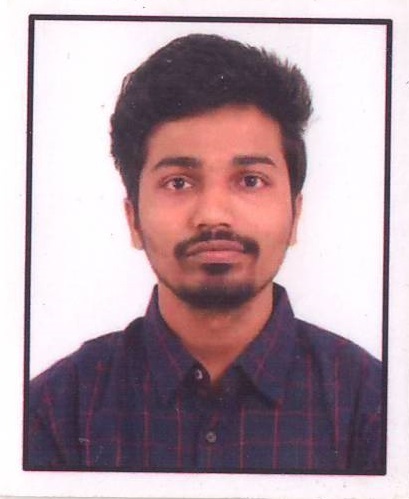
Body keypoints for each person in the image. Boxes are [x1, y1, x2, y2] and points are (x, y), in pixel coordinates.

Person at [27, 33, 383, 473]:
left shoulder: (373, 406)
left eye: (250, 180)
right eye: (178, 182)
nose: (213, 215)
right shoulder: (53, 411)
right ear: (134, 219)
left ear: (295, 215)